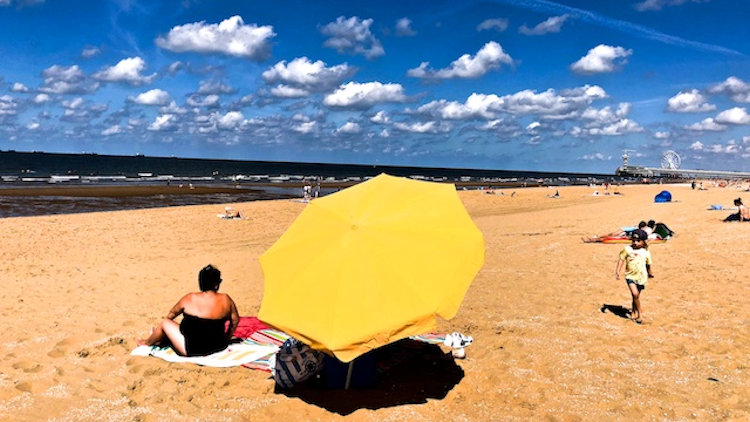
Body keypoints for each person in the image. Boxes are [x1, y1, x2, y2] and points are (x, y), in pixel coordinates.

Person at [137, 265, 240, 356]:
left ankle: (146, 343)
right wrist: (226, 338)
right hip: (218, 346)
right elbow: (235, 321)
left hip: (192, 349)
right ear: (216, 284)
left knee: (165, 323)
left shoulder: (190, 298)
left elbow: (171, 314)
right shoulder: (226, 299)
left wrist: (164, 332)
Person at [614, 229, 654, 324]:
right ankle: (640, 314)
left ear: (643, 241)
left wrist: (650, 273)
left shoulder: (646, 252)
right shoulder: (628, 249)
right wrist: (617, 271)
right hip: (630, 276)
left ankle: (633, 310)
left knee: (636, 296)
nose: (635, 243)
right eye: (633, 240)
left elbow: (648, 264)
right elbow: (621, 259)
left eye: (638, 241)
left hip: (641, 277)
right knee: (635, 294)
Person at [582, 221, 647, 243]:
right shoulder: (638, 230)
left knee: (608, 235)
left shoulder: (635, 227)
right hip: (622, 232)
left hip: (622, 229)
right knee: (608, 237)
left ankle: (594, 237)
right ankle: (593, 239)